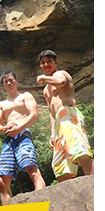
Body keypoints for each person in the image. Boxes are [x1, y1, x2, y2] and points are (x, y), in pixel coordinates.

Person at [36, 50, 95, 181]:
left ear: (55, 62)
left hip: (68, 114)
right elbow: (51, 111)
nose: (46, 65)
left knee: (79, 150)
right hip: (58, 122)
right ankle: (70, 198)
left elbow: (61, 82)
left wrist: (43, 78)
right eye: (43, 63)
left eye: (49, 62)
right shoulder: (46, 90)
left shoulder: (61, 73)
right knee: (61, 165)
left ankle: (96, 188)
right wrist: (52, 132)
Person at [0, 72, 46, 205]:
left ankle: (41, 205)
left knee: (32, 169)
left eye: (11, 80)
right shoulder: (1, 104)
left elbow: (34, 115)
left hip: (23, 135)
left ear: (16, 81)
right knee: (2, 181)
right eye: (6, 81)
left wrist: (19, 127)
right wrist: (6, 128)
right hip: (9, 139)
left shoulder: (25, 96)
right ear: (3, 85)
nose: (9, 83)